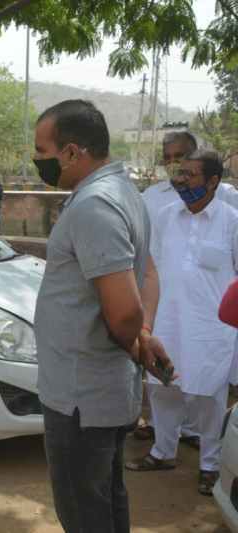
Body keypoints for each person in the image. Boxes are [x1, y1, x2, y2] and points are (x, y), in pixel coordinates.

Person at [33, 100, 172, 532]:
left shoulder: (95, 206)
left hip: (81, 395)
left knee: (84, 511)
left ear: (72, 152)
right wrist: (142, 335)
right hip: (97, 391)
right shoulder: (123, 193)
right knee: (105, 500)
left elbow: (124, 310)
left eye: (41, 151)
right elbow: (147, 274)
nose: (36, 160)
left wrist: (134, 337)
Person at [126, 150, 238, 496]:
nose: (180, 180)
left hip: (211, 329)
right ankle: (163, 452)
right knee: (163, 389)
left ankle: (210, 465)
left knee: (209, 397)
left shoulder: (232, 221)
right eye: (180, 173)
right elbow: (152, 270)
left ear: (213, 181)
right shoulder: (166, 216)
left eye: (190, 174)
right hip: (168, 321)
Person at [135, 131, 206, 445]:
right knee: (161, 356)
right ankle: (159, 426)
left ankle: (193, 428)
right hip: (159, 292)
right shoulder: (151, 196)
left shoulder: (220, 195)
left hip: (201, 294)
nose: (172, 163)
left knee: (198, 358)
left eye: (179, 156)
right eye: (167, 158)